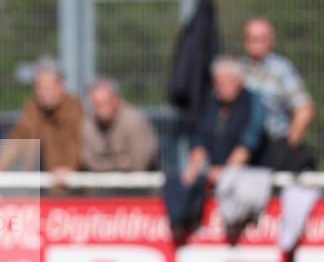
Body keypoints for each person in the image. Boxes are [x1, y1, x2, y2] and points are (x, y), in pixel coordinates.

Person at [165, 56, 265, 243]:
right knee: (177, 181)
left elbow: (250, 141)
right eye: (217, 83)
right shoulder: (211, 104)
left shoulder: (253, 103)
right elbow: (199, 137)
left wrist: (227, 171)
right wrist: (195, 165)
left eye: (225, 82)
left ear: (239, 81)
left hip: (244, 171)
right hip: (213, 169)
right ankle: (182, 225)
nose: (220, 87)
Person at [0, 58, 82, 188]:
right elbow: (18, 139)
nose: (45, 93)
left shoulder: (73, 108)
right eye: (40, 87)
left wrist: (68, 168)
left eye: (49, 88)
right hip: (38, 182)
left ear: (61, 86)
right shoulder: (33, 107)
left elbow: (76, 142)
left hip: (69, 184)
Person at [242, 17, 316, 169]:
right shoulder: (240, 70)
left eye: (262, 39)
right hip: (245, 146)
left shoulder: (281, 70)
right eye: (252, 38)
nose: (256, 43)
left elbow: (305, 110)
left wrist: (287, 149)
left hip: (273, 145)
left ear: (272, 41)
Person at [81, 78, 158, 172]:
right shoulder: (89, 124)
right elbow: (90, 162)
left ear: (117, 99)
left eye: (106, 102)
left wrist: (106, 164)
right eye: (97, 104)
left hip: (140, 184)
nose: (102, 108)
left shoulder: (134, 121)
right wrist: (118, 163)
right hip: (102, 184)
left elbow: (139, 163)